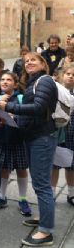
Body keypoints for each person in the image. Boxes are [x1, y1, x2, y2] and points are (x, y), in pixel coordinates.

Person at [0, 52, 57, 246]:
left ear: (43, 64)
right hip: (36, 136)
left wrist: (10, 107)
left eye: (33, 60)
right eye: (26, 61)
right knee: (41, 182)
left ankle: (46, 232)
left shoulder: (45, 81)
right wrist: (15, 119)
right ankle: (43, 218)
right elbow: (34, 112)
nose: (29, 63)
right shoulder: (34, 82)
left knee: (41, 185)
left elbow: (38, 107)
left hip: (42, 139)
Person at [0, 72, 32, 216]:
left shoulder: (20, 98)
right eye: (2, 79)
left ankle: (23, 199)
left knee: (21, 168)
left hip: (18, 139)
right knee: (3, 168)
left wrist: (13, 114)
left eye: (9, 80)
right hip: (1, 139)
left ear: (16, 84)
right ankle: (1, 196)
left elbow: (27, 116)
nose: (5, 82)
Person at [51, 65, 74, 206]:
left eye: (73, 74)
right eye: (68, 73)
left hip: (72, 133)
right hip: (58, 133)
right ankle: (51, 193)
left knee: (71, 165)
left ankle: (71, 193)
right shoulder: (56, 92)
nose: (71, 76)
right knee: (54, 164)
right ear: (62, 75)